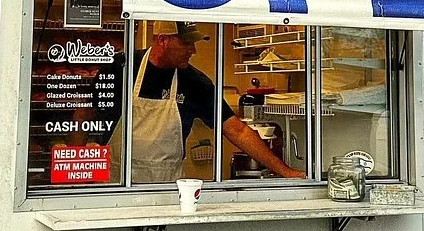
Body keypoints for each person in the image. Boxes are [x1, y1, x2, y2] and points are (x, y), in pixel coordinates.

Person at [81, 21, 305, 183]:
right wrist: (73, 170)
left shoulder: (195, 82)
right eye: (187, 43)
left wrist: (285, 171)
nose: (194, 50)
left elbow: (238, 131)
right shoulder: (122, 68)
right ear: (163, 40)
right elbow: (84, 117)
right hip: (115, 186)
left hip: (166, 189)